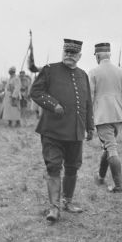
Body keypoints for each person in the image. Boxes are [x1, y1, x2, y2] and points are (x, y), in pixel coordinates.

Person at [30, 38, 94, 223]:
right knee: (54, 166)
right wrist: (53, 104)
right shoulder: (50, 70)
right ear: (63, 52)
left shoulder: (83, 75)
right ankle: (54, 208)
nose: (69, 56)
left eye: (73, 54)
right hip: (52, 131)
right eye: (67, 52)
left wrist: (89, 127)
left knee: (73, 167)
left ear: (79, 56)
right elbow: (35, 92)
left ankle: (67, 201)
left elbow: (87, 102)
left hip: (75, 131)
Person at [88, 42, 122, 192]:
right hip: (118, 115)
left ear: (98, 55)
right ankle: (100, 177)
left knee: (111, 148)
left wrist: (89, 118)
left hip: (102, 115)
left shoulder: (93, 72)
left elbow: (90, 97)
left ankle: (118, 185)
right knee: (108, 147)